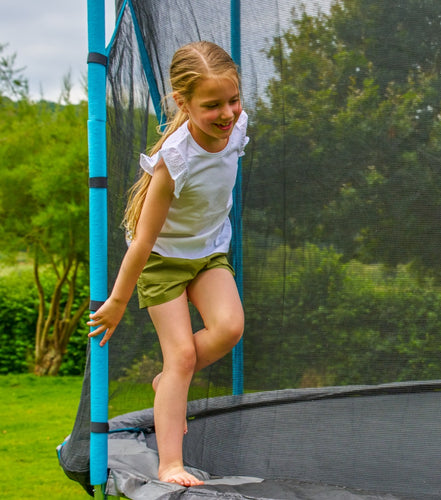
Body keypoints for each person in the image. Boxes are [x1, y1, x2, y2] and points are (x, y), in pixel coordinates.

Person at [87, 41, 248, 487]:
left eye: (233, 100)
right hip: (161, 260)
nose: (228, 113)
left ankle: (167, 386)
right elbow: (141, 242)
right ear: (183, 103)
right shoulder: (174, 160)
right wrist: (118, 301)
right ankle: (169, 464)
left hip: (208, 250)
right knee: (179, 355)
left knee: (229, 329)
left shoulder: (237, 128)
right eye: (212, 105)